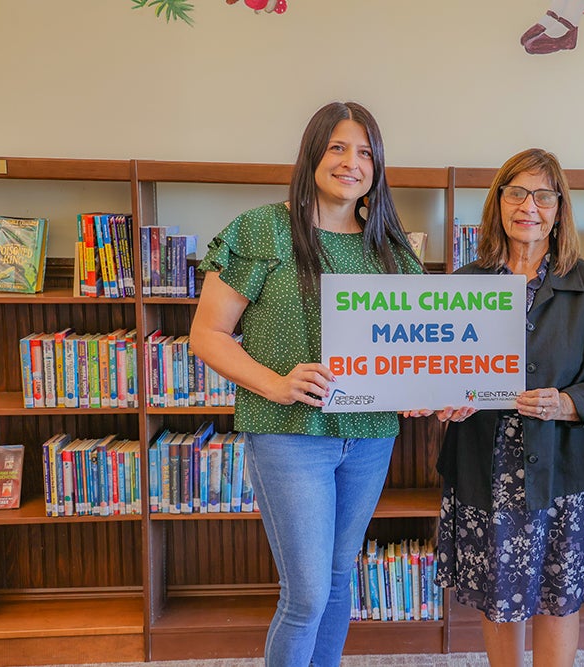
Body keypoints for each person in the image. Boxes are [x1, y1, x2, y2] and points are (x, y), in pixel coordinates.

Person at [189, 101, 423, 667]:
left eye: (365, 152)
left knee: (341, 578)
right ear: (312, 153)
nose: (352, 162)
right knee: (308, 594)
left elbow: (412, 349)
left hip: (369, 438)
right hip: (290, 435)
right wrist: (275, 384)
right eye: (339, 147)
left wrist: (420, 391)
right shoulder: (263, 229)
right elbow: (207, 334)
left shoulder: (389, 248)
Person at [434, 148, 584, 667]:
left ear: (560, 208)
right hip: (485, 464)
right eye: (517, 192)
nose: (530, 206)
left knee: (558, 596)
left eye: (544, 195)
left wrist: (568, 403)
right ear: (498, 201)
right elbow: (445, 377)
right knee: (500, 599)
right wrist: (447, 401)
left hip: (565, 466)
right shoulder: (465, 284)